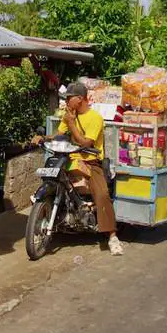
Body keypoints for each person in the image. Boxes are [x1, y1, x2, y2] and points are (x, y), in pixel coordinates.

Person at [57, 82, 123, 256]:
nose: (66, 101)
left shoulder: (95, 118)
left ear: (80, 99)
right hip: (71, 159)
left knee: (102, 195)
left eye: (69, 98)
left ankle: (112, 236)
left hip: (91, 162)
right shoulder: (68, 116)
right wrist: (42, 137)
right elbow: (60, 135)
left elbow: (85, 143)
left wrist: (71, 124)